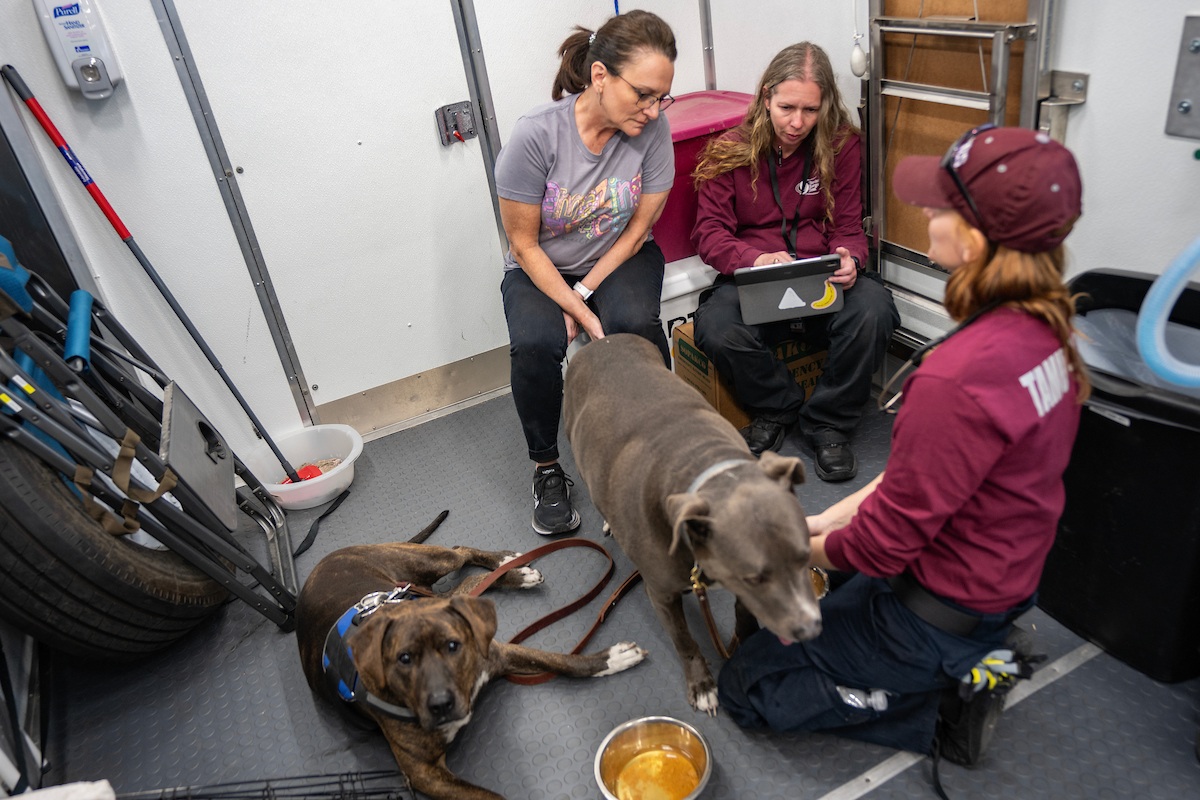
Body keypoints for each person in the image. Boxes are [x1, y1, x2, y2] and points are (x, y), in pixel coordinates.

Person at [717, 126, 1089, 764]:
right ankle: (972, 648)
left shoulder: (955, 378)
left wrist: (765, 553)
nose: (924, 211)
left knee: (747, 685)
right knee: (833, 592)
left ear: (975, 237)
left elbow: (878, 546)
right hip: (1002, 574)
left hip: (941, 606)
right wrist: (814, 522)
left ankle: (945, 704)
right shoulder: (1048, 330)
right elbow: (915, 482)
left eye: (941, 205)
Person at [493, 11, 677, 536]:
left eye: (661, 97)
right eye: (642, 93)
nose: (652, 109)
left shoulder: (652, 130)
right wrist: (571, 308)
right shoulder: (536, 135)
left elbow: (640, 227)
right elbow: (524, 244)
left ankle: (660, 447)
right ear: (600, 76)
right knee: (534, 343)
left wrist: (585, 296)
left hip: (620, 253)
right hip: (539, 265)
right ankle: (547, 467)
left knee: (632, 324)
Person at [690, 42, 899, 481]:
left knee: (875, 309)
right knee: (717, 328)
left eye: (810, 110)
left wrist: (850, 256)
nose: (797, 122)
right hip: (753, 277)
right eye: (786, 107)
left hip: (820, 276)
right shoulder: (728, 150)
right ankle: (778, 408)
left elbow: (847, 226)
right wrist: (755, 257)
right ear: (766, 97)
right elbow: (709, 235)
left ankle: (828, 424)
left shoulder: (841, 146)